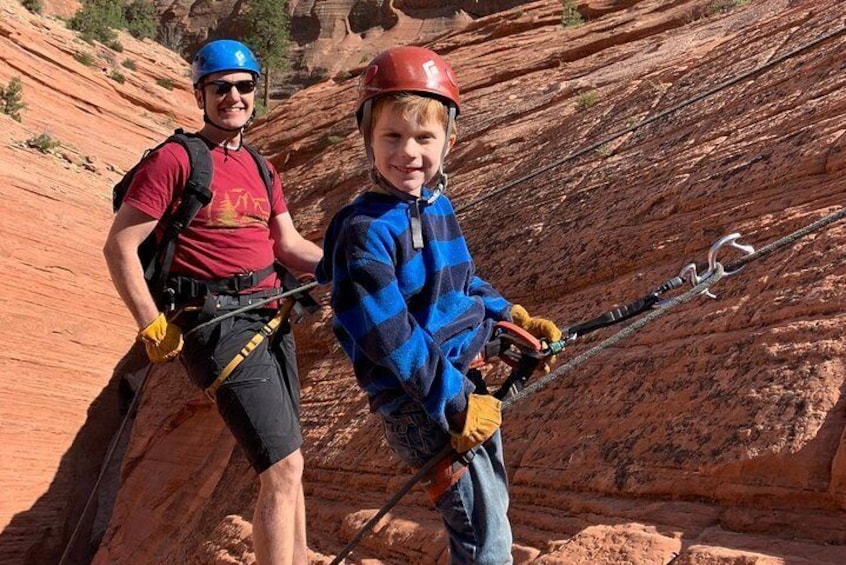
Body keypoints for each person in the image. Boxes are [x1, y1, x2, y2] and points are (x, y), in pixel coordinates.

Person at [315, 46, 561, 564]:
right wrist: (453, 403)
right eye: (392, 137)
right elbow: (395, 341)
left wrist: (508, 317)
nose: (409, 152)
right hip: (420, 402)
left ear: (448, 141)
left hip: (456, 388)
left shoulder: (434, 205)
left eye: (425, 138)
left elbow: (462, 282)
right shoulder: (364, 234)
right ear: (368, 139)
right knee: (484, 538)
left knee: (491, 514)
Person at [103, 39, 322, 565]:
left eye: (244, 87)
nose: (233, 97)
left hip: (272, 315)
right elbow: (120, 246)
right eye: (220, 87)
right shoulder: (175, 160)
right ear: (200, 93)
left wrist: (349, 263)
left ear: (255, 93)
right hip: (216, 325)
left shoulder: (262, 168)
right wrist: (151, 325)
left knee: (291, 460)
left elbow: (288, 247)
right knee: (281, 468)